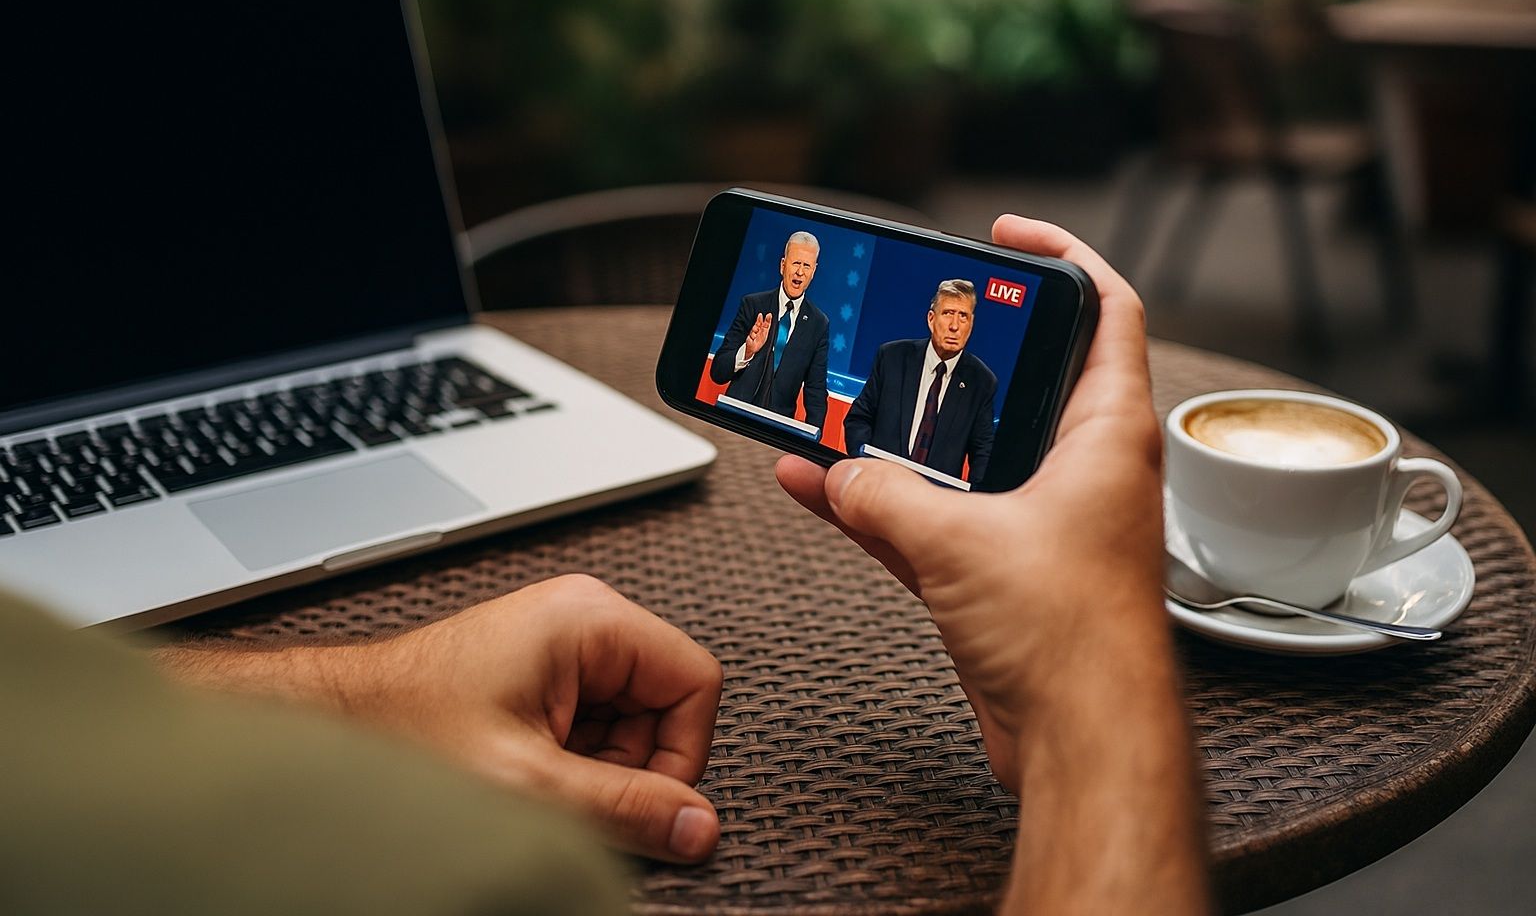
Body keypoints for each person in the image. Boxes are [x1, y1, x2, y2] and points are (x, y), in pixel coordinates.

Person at [0, 216, 1209, 915]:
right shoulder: (478, 879)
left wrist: (358, 695)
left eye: (802, 269)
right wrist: (1091, 694)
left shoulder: (916, 361)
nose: (796, 278)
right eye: (785, 266)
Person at [842, 278, 997, 482]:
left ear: (971, 324)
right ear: (931, 319)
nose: (954, 326)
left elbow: (983, 454)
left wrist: (971, 505)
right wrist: (865, 468)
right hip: (877, 485)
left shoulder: (982, 382)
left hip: (933, 505)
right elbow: (858, 419)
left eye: (963, 316)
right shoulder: (892, 358)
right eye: (948, 313)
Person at [708, 230, 830, 431]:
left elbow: (815, 390)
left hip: (778, 430)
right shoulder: (752, 305)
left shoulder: (819, 324)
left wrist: (810, 443)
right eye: (795, 263)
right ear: (783, 265)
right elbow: (718, 371)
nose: (800, 272)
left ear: (813, 271)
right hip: (733, 418)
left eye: (806, 265)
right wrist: (747, 352)